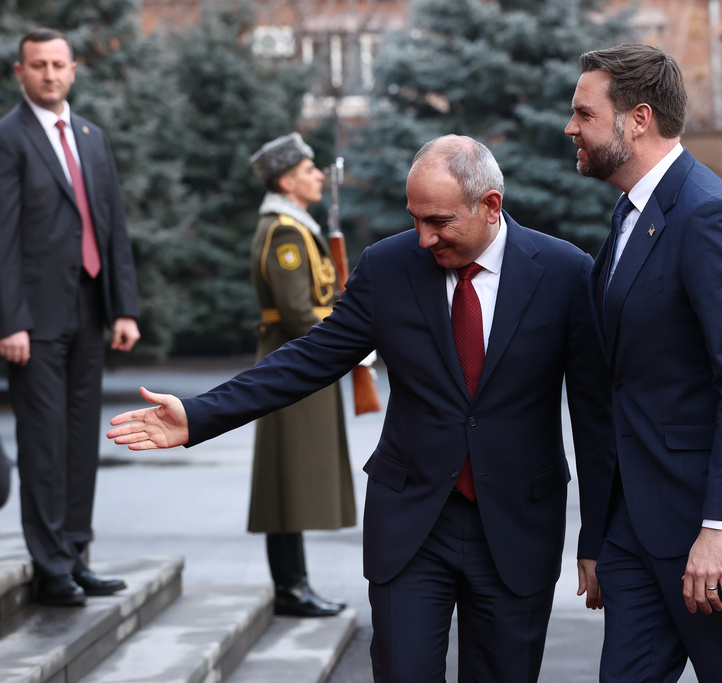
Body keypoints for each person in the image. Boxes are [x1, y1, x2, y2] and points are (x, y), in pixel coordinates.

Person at [107, 135, 616, 682]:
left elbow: (594, 414)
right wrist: (200, 414)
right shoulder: (388, 267)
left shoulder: (565, 273)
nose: (423, 238)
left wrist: (597, 540)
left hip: (519, 528)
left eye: (439, 221)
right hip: (413, 525)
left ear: (490, 206)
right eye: (415, 218)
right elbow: (310, 357)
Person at [564, 43, 722, 682]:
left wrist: (720, 527)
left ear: (638, 119)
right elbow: (620, 383)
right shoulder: (632, 214)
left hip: (712, 528)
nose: (570, 128)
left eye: (584, 114)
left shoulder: (710, 215)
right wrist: (600, 535)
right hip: (639, 522)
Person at [0, 28, 140, 607]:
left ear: (74, 70)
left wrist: (125, 308)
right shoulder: (8, 138)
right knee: (43, 443)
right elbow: (2, 236)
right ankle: (51, 565)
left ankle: (77, 553)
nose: (50, 74)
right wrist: (10, 320)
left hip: (90, 309)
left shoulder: (90, 136)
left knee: (82, 439)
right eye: (38, 65)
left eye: (59, 64)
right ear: (20, 72)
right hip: (33, 320)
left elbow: (111, 225)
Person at [246, 133, 357, 617]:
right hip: (294, 360)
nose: (318, 177)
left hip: (299, 358)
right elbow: (296, 310)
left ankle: (296, 583)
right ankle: (290, 588)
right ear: (287, 181)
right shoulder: (285, 231)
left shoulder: (294, 224)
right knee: (286, 479)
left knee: (290, 478)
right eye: (310, 170)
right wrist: (349, 339)